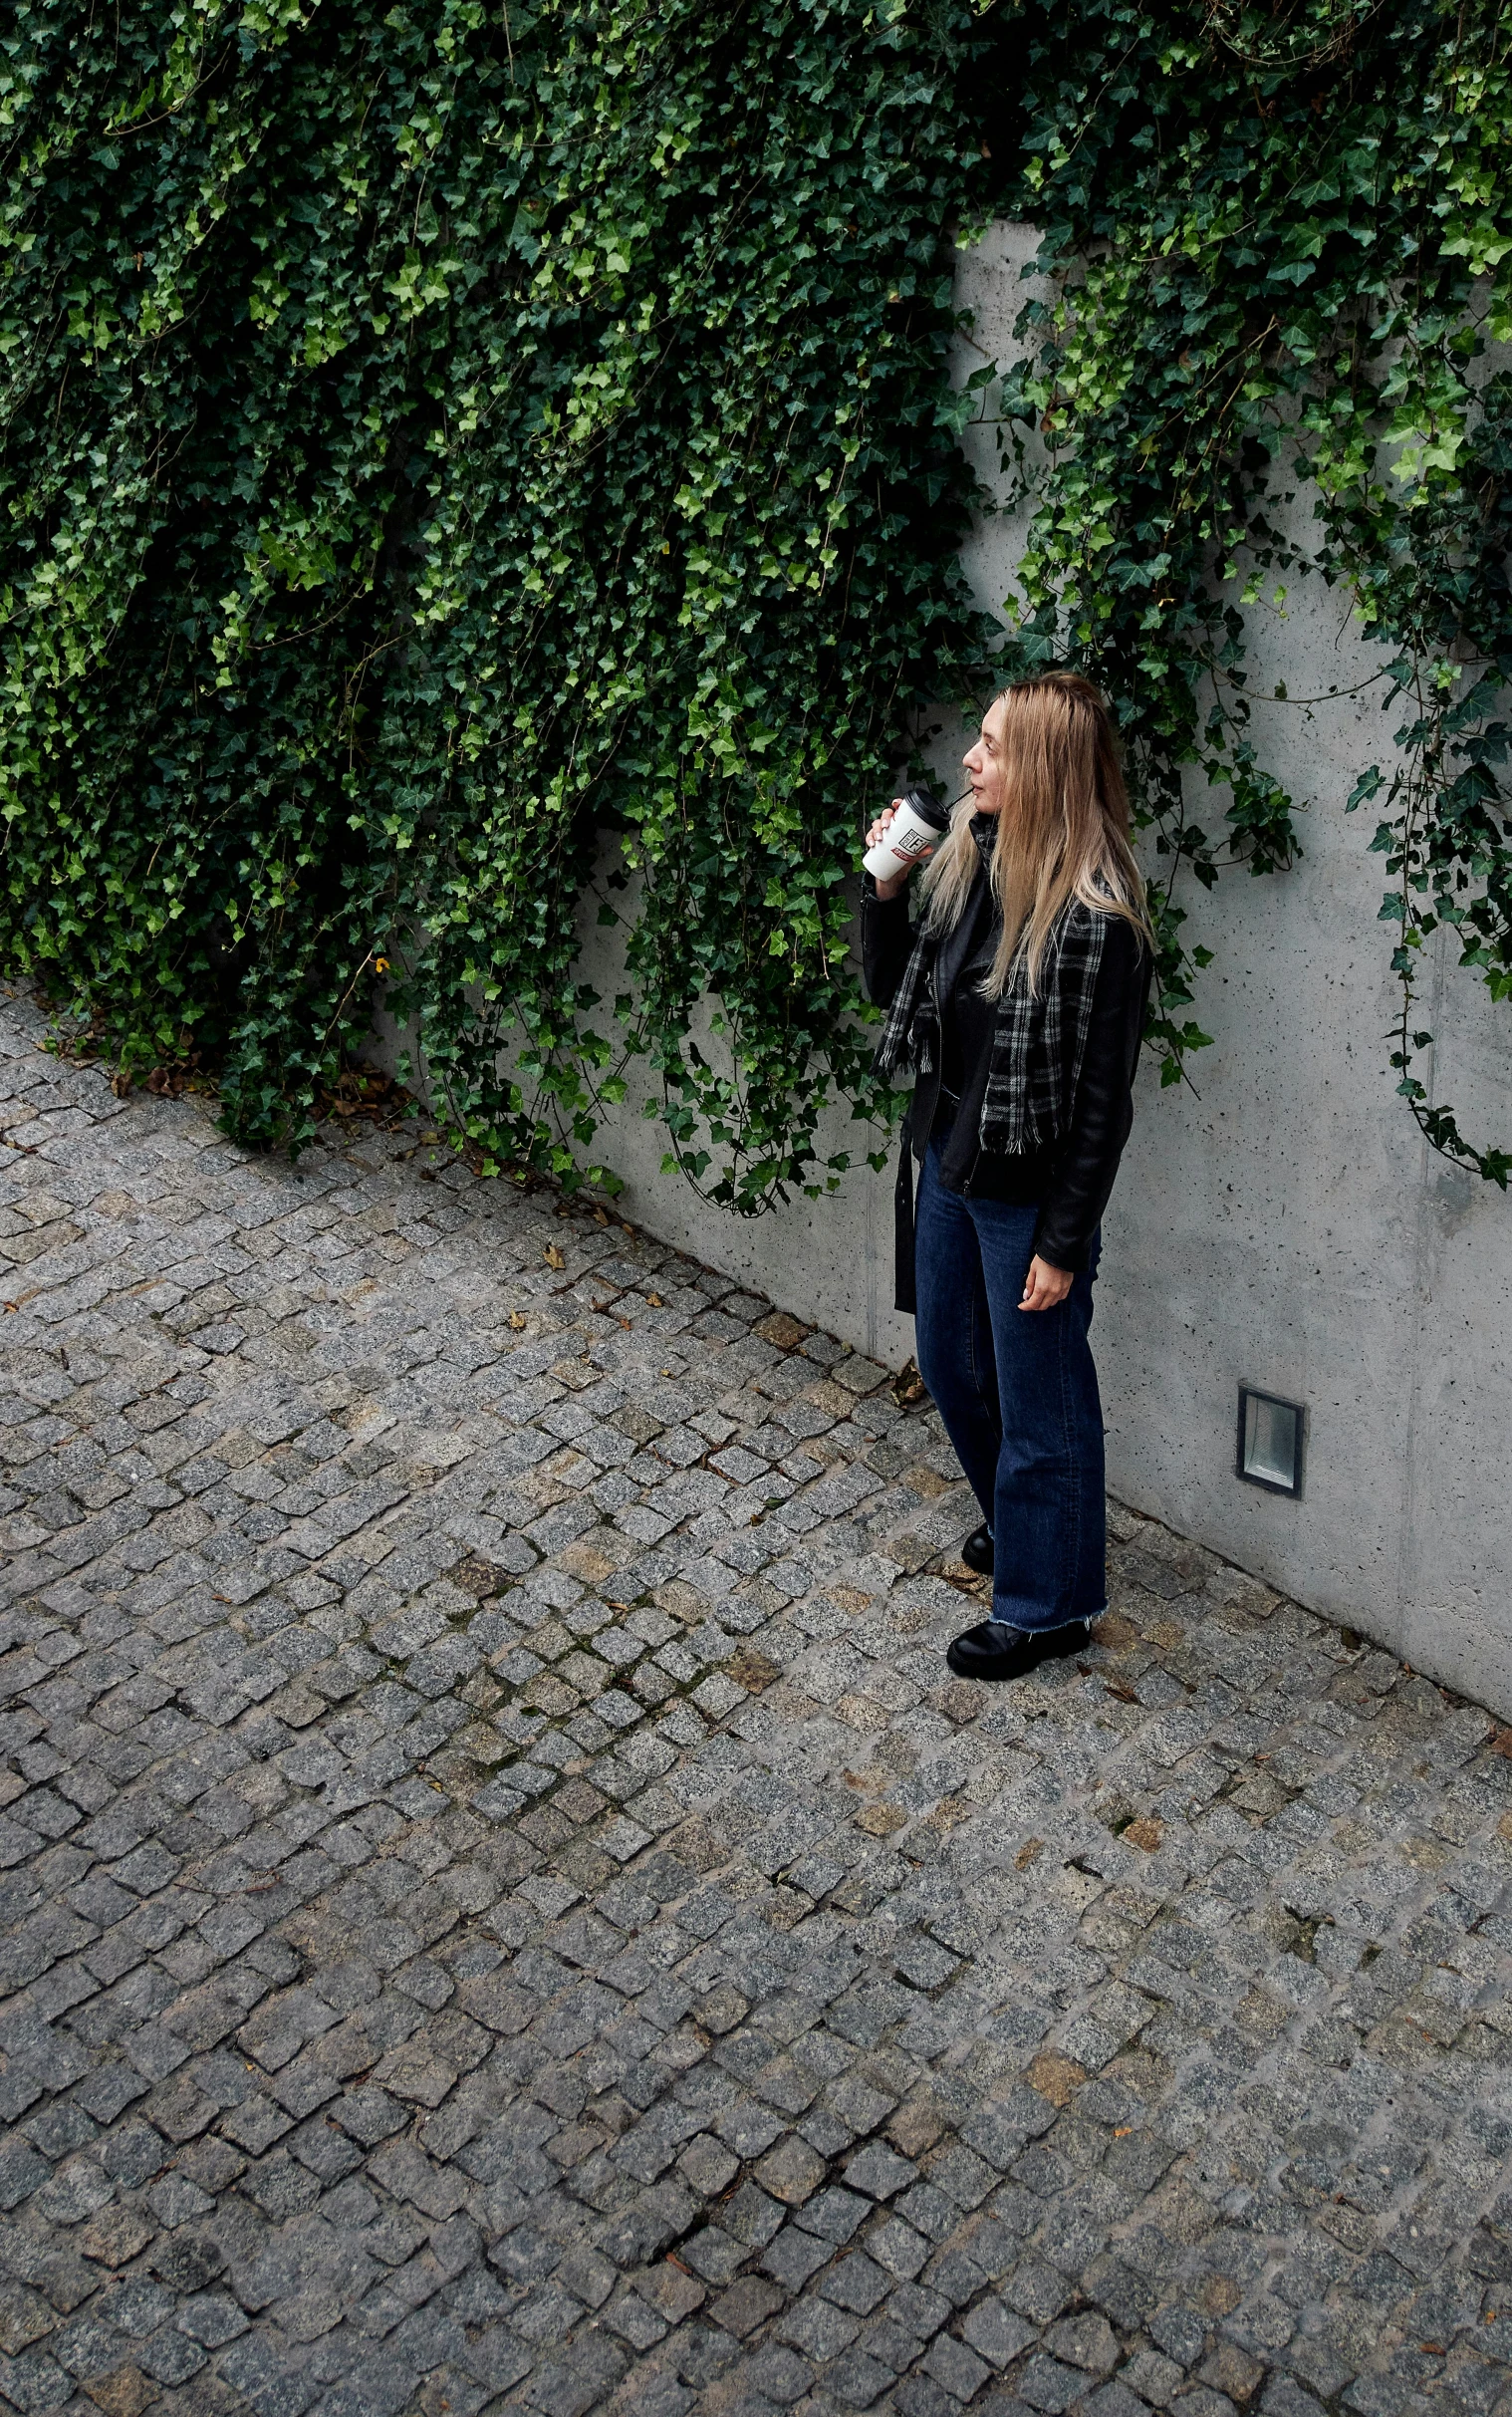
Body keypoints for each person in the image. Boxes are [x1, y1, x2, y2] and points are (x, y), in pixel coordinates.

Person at [861, 671, 1153, 1683]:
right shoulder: (971, 864)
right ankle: (1029, 1526)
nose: (970, 759)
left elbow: (1104, 1105)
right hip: (949, 1157)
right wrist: (885, 885)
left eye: (991, 746)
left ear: (1045, 768)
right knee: (950, 1363)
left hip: (1026, 1194)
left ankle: (1045, 1604)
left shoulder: (1096, 918)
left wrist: (1063, 1243)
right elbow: (895, 991)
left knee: (1042, 1405)